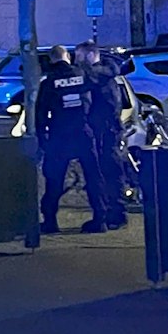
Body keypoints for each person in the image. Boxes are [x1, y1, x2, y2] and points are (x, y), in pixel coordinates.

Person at [38, 45, 108, 234]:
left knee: (54, 179)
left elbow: (41, 114)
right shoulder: (85, 74)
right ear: (67, 56)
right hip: (83, 132)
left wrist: (42, 139)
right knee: (94, 176)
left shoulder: (49, 82)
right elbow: (100, 98)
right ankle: (100, 219)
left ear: (52, 59)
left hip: (59, 135)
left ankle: (50, 221)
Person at [76, 43, 128, 230]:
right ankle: (115, 212)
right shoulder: (107, 74)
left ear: (90, 56)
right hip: (109, 130)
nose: (77, 60)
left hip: (104, 132)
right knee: (111, 171)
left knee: (106, 172)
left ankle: (112, 214)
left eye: (79, 56)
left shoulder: (97, 76)